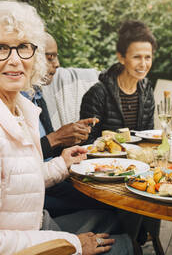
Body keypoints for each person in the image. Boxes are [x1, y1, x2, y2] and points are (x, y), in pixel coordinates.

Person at [0, 0, 133, 255]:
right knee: (123, 246)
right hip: (5, 246)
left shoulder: (15, 110)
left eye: (23, 47)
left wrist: (62, 164)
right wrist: (75, 245)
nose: (15, 60)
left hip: (26, 229)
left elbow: (13, 181)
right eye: (0, 48)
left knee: (117, 220)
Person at [22, 33, 111, 218]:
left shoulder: (36, 95)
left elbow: (47, 149)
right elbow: (21, 159)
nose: (57, 64)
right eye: (50, 57)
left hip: (53, 177)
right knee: (107, 204)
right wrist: (56, 138)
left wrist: (70, 136)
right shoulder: (14, 103)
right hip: (31, 191)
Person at [80, 20, 156, 143]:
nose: (143, 64)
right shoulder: (97, 94)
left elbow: (149, 136)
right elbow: (86, 141)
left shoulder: (147, 91)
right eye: (137, 57)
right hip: (105, 160)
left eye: (148, 57)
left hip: (138, 160)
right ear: (121, 57)